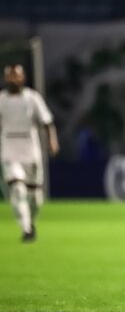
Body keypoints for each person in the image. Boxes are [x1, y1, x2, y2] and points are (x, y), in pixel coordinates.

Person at [0, 64, 59, 243]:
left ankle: (31, 221)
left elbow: (47, 121)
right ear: (5, 78)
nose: (13, 79)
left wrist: (52, 141)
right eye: (10, 76)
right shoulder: (1, 99)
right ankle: (25, 228)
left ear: (23, 77)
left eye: (16, 75)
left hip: (30, 149)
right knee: (17, 188)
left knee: (35, 198)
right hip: (9, 148)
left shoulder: (32, 98)